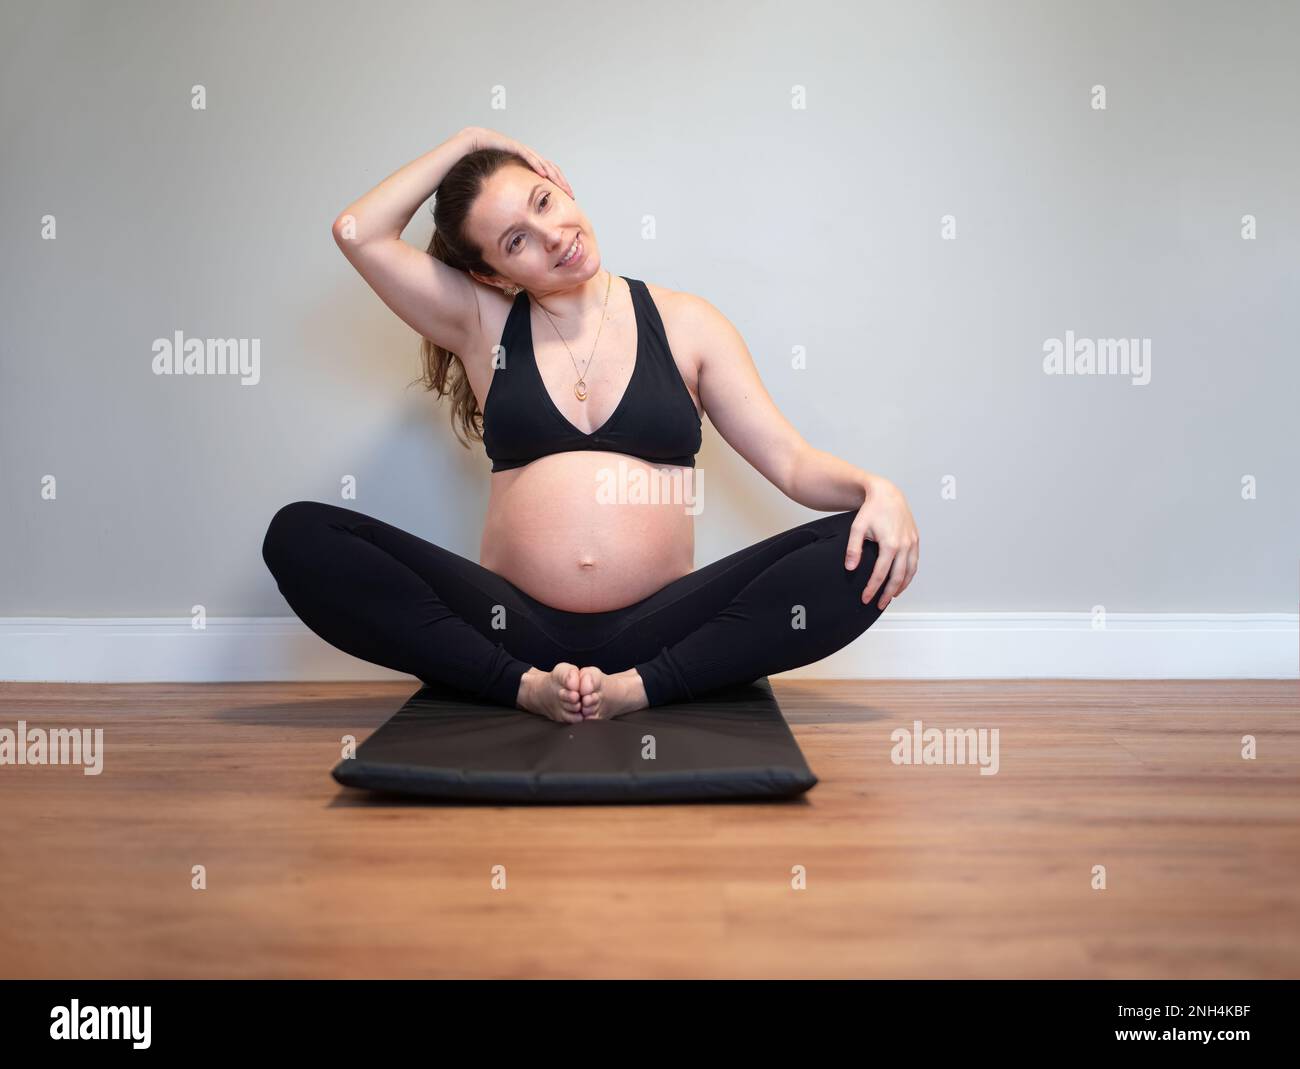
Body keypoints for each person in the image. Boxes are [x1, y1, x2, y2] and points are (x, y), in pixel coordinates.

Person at [261, 126, 919, 725]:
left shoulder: (688, 323)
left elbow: (793, 463)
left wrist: (876, 489)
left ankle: (643, 685)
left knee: (853, 551)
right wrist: (465, 141)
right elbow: (356, 230)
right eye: (515, 240)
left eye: (543, 202)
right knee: (299, 536)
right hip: (510, 626)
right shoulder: (481, 324)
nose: (551, 236)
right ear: (493, 272)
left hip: (661, 626)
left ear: (562, 187)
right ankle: (520, 685)